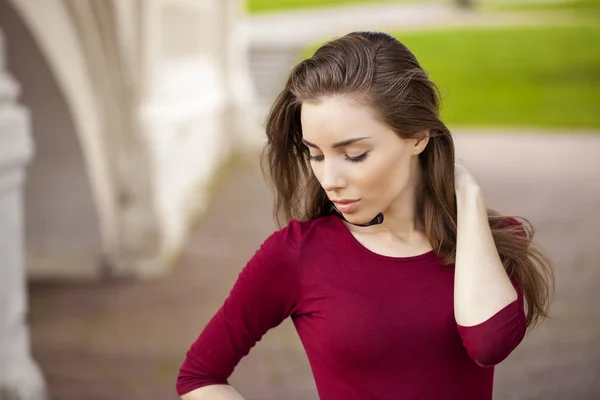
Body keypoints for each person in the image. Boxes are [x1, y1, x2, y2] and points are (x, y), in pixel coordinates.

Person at [176, 31, 554, 400]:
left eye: (354, 154)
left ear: (419, 136)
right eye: (316, 155)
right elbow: (199, 376)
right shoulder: (296, 254)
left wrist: (468, 197)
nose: (329, 179)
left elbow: (488, 345)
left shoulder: (491, 240)